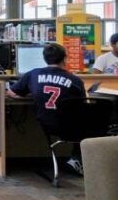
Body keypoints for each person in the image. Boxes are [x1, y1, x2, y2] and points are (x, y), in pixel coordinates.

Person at [6, 43, 88, 174]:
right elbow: (83, 103)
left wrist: (35, 94)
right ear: (65, 59)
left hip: (46, 124)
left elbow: (11, 92)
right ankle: (76, 159)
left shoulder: (33, 74)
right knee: (93, 124)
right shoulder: (75, 80)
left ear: (44, 58)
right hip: (70, 126)